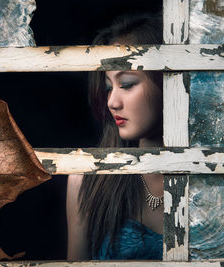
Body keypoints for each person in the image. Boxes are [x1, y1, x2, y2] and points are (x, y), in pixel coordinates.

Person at [66, 13, 164, 260]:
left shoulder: (220, 177)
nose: (112, 102)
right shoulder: (87, 180)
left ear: (167, 80)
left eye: (127, 83)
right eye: (109, 87)